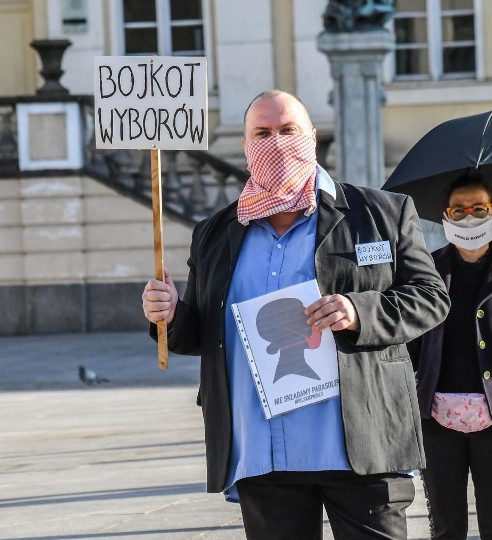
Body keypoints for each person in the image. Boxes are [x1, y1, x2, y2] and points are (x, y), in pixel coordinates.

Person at [141, 89, 450, 540]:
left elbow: (431, 297)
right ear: (247, 148)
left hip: (360, 442)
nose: (277, 142)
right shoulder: (214, 233)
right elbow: (205, 334)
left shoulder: (381, 213)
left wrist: (359, 311)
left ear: (312, 138)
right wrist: (167, 315)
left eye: (289, 130)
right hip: (264, 452)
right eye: (262, 133)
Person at [408, 175, 492, 539]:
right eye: (459, 210)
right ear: (446, 217)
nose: (469, 217)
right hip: (436, 418)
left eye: (479, 209)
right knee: (446, 527)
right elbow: (412, 351)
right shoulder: (425, 273)